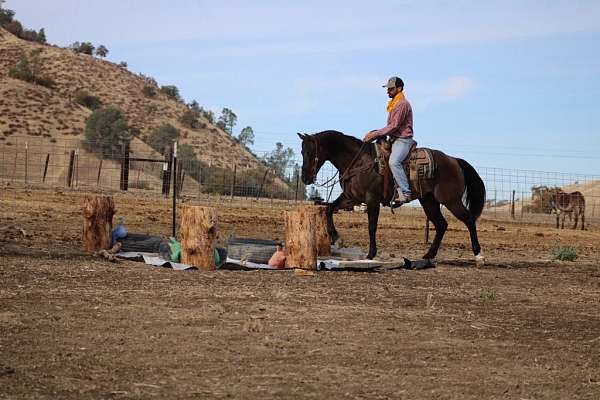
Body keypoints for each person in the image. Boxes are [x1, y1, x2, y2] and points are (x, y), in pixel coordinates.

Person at [363, 76, 415, 207]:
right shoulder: (395, 104)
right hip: (394, 139)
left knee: (394, 162)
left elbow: (394, 126)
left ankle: (405, 192)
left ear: (399, 89)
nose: (388, 91)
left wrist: (375, 133)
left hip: (403, 139)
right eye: (388, 89)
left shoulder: (402, 104)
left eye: (391, 89)